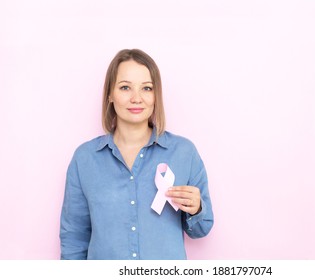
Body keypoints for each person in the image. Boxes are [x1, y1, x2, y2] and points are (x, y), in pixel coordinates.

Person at [60, 49, 214, 260]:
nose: (136, 98)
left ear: (155, 95)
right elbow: (74, 239)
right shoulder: (84, 159)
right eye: (125, 87)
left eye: (147, 88)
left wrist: (196, 209)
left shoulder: (184, 153)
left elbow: (201, 229)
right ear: (110, 95)